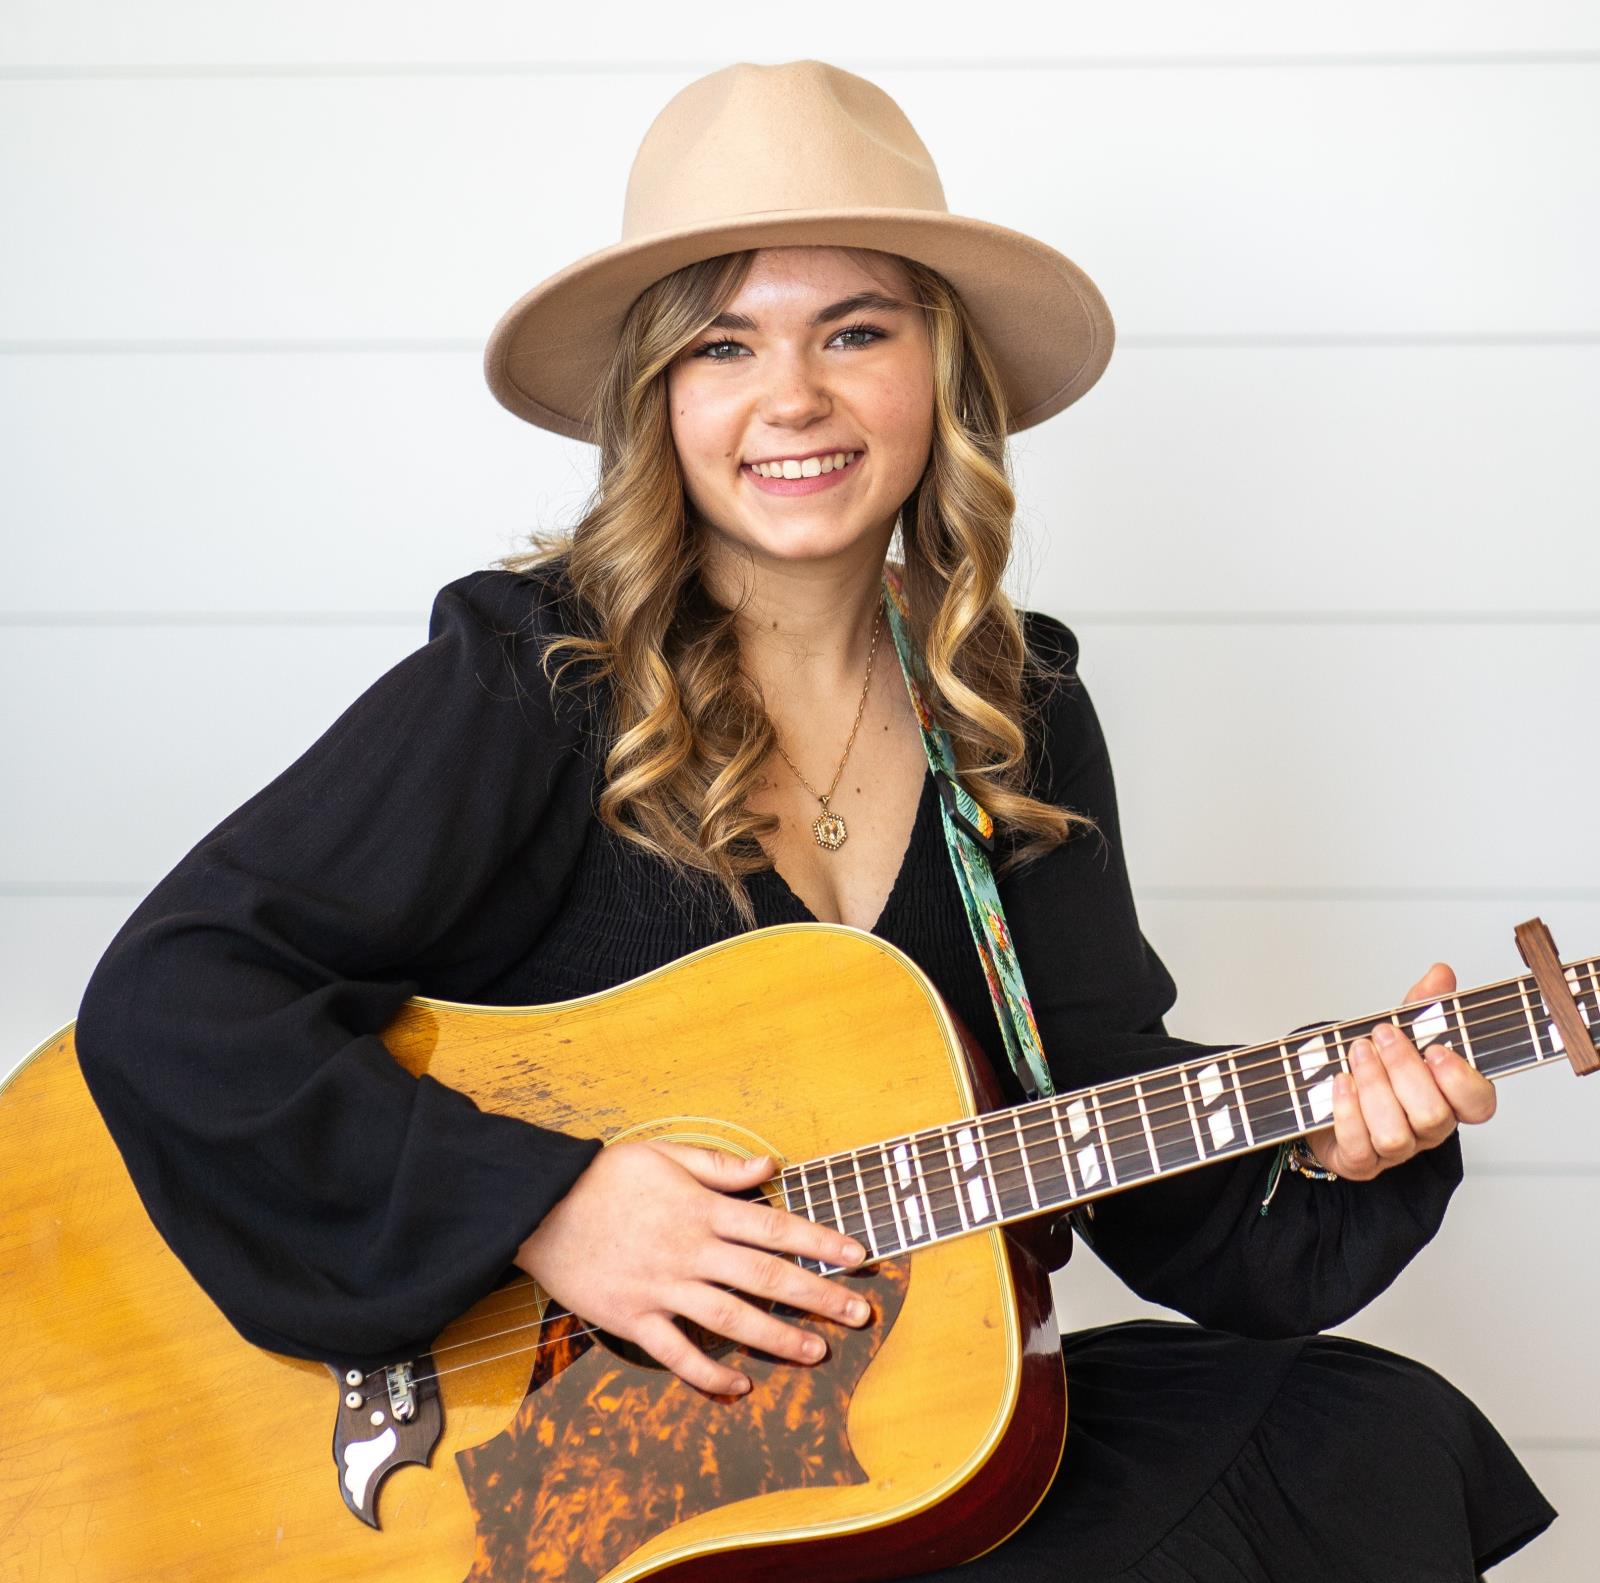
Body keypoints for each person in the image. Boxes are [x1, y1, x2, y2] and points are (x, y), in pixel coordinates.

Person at [73, 59, 1555, 1582]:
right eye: (727, 344)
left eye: (856, 331)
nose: (796, 399)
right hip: (564, 1478)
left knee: (1357, 1437)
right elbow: (177, 1001)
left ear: (943, 375)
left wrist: (1332, 1144)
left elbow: (1102, 1121)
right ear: (659, 396)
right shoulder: (535, 677)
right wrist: (548, 1211)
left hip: (850, 1447)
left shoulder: (1014, 710)